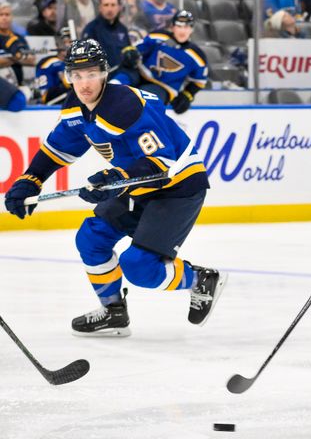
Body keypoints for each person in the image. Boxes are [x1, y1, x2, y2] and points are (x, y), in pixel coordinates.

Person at [3, 39, 226, 337]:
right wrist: (30, 180)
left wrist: (112, 178)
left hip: (177, 186)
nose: (84, 83)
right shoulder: (75, 107)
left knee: (139, 268)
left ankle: (199, 279)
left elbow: (161, 161)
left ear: (105, 72)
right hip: (134, 187)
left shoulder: (125, 106)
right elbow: (56, 150)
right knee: (91, 239)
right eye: (77, 75)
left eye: (91, 74)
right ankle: (114, 312)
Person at [135, 10, 208, 114]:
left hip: (164, 88)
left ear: (192, 29)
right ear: (173, 27)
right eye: (179, 26)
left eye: (186, 27)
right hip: (140, 75)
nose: (182, 31)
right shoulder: (159, 36)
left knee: (144, 102)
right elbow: (137, 48)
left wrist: (188, 94)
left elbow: (199, 81)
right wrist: (131, 54)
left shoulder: (197, 56)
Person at [82, 0, 140, 86]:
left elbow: (128, 51)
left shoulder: (122, 29)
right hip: (102, 79)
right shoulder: (91, 29)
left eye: (113, 5)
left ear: (119, 8)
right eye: (106, 5)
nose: (110, 9)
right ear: (100, 8)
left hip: (122, 75)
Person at [0, 2, 35, 111]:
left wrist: (8, 59)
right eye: (1, 15)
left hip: (18, 87)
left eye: (7, 14)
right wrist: (16, 57)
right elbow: (22, 57)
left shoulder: (19, 38)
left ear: (12, 17)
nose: (4, 18)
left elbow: (31, 59)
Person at [35, 27, 72, 105]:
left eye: (70, 42)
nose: (67, 45)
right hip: (50, 102)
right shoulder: (52, 62)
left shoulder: (75, 60)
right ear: (57, 45)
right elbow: (69, 83)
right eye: (64, 42)